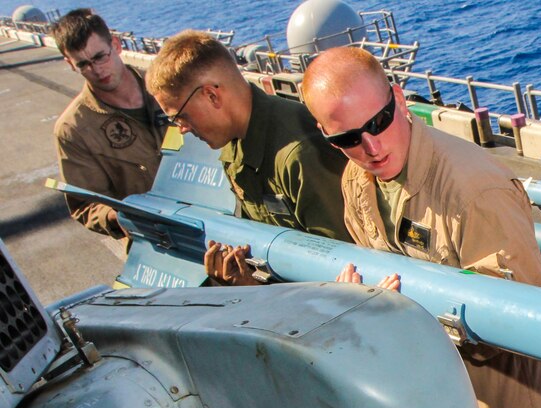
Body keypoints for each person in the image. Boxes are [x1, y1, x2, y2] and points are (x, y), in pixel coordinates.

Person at [300, 47, 541, 408]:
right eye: (347, 138)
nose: (372, 148)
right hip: (432, 389)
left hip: (504, 396)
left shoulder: (474, 189)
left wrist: (395, 317)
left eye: (380, 121)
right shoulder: (358, 180)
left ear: (400, 99)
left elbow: (515, 319)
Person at [145, 30, 351, 284]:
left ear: (212, 95)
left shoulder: (298, 154)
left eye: (181, 117)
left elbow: (340, 265)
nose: (182, 129)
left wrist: (257, 291)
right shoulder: (234, 147)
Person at [52, 8, 167, 238]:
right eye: (83, 64)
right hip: (156, 239)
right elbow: (85, 205)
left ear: (115, 44)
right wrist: (118, 216)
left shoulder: (168, 85)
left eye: (99, 57)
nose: (96, 70)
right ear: (70, 63)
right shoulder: (73, 130)